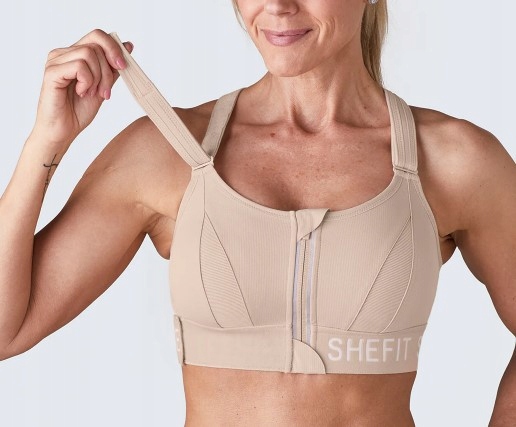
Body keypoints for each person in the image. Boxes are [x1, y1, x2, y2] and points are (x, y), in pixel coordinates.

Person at [0, 0, 515, 425]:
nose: (278, 7)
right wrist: (46, 140)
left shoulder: (453, 160)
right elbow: (7, 332)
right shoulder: (168, 151)